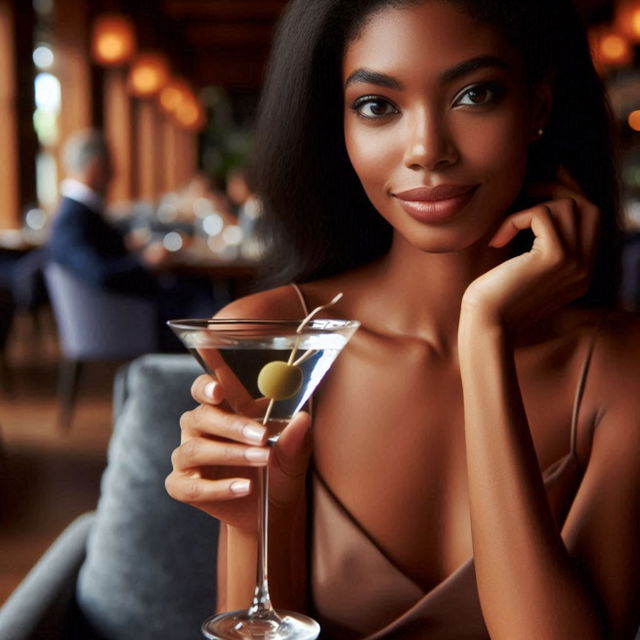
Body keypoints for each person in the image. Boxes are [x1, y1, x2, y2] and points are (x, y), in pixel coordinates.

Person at [165, 1, 640, 638]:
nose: (426, 150)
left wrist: (484, 333)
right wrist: (257, 519)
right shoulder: (276, 338)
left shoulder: (620, 369)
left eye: (475, 94)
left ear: (540, 108)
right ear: (338, 124)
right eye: (377, 106)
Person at [47, 129, 167, 296]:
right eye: (110, 167)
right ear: (95, 168)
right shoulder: (72, 218)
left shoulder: (80, 210)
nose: (115, 175)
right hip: (122, 312)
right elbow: (100, 274)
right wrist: (146, 263)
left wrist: (126, 244)